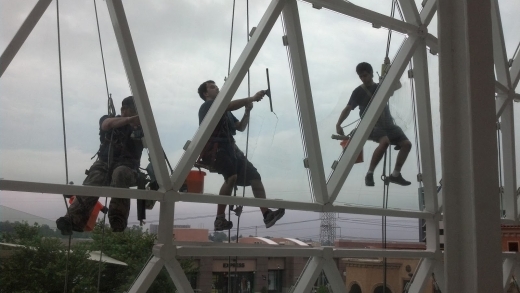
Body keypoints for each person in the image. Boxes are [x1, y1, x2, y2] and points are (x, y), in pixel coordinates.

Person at [197, 80, 285, 231]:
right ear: (206, 94)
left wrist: (247, 112)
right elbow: (227, 105)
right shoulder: (208, 105)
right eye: (212, 87)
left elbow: (241, 127)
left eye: (216, 85)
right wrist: (251, 98)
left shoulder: (227, 111)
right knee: (231, 176)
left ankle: (266, 214)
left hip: (231, 150)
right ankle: (219, 218)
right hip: (217, 149)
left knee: (255, 177)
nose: (217, 87)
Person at [56, 96, 144, 235]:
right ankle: (73, 219)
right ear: (124, 110)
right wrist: (129, 120)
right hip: (104, 164)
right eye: (133, 111)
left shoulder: (142, 127)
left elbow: (151, 145)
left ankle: (117, 220)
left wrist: (141, 128)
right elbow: (106, 124)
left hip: (128, 168)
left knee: (120, 173)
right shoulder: (109, 120)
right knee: (95, 177)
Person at [336, 62, 412, 187]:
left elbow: (397, 85)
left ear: (371, 74)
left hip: (387, 123)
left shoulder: (381, 87)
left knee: (406, 144)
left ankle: (396, 175)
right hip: (371, 124)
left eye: (365, 75)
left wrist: (390, 75)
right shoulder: (358, 92)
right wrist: (339, 124)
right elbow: (348, 108)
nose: (363, 79)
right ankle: (370, 173)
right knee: (385, 142)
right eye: (361, 76)